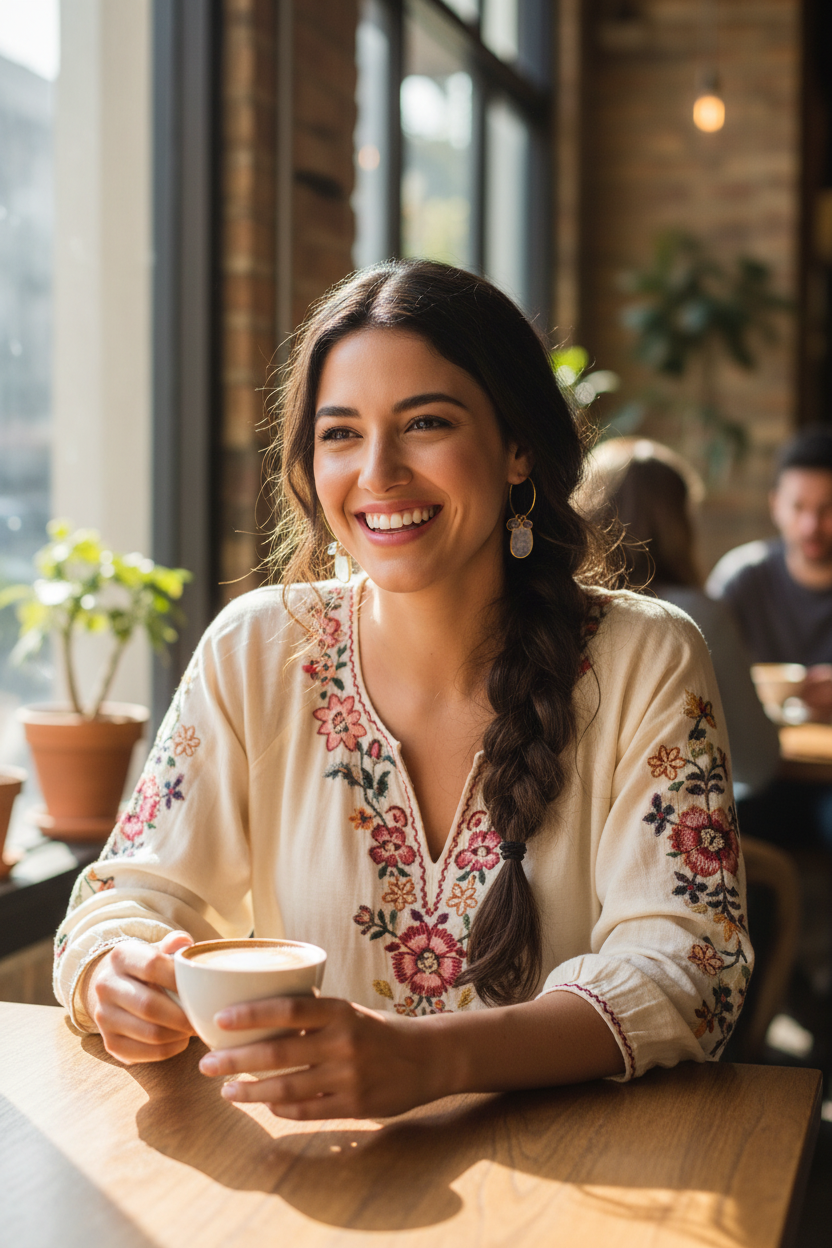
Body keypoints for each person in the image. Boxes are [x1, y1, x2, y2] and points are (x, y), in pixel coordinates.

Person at [53, 260, 751, 1121]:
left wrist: (431, 1060)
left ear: (517, 444)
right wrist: (114, 972)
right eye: (340, 433)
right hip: (308, 1181)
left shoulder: (647, 657)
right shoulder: (254, 648)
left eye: (425, 423)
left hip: (567, 1187)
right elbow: (122, 898)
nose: (378, 472)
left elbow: (689, 972)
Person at [581, 437, 780, 800]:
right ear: (678, 521)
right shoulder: (694, 615)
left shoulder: (551, 610)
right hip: (668, 824)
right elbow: (758, 759)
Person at [707, 426, 832, 723]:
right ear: (775, 505)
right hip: (761, 759)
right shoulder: (741, 578)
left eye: (827, 509)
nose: (810, 526)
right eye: (798, 507)